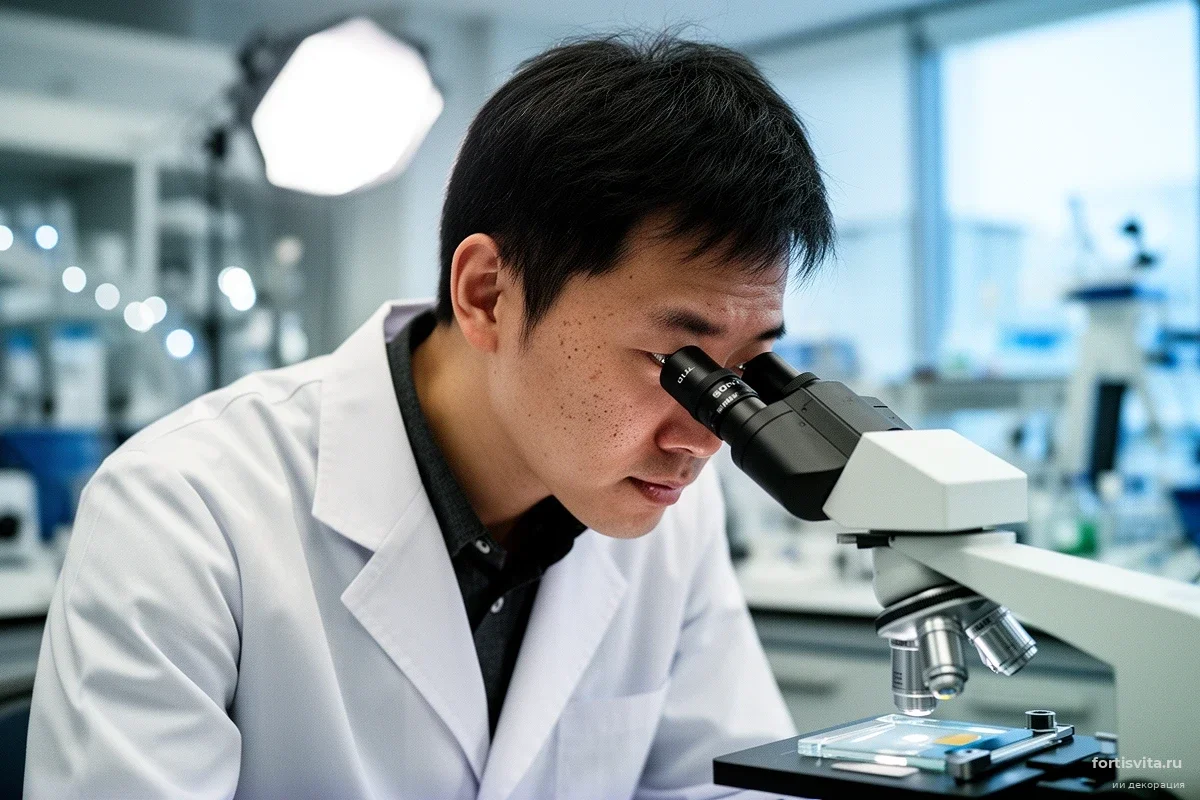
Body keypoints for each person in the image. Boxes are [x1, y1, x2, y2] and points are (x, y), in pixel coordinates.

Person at [25, 32, 833, 799]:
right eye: (678, 364)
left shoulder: (669, 516)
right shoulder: (182, 512)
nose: (703, 438)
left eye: (739, 372)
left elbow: (726, 784)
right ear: (488, 294)